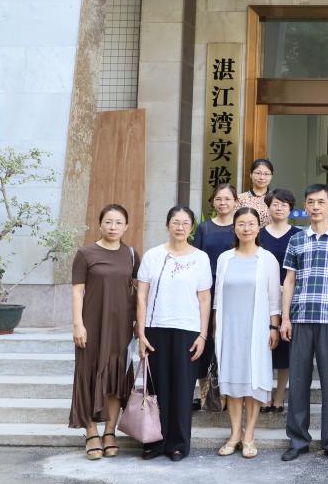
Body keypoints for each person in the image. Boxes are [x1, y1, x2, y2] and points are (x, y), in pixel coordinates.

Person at [280, 184, 328, 464]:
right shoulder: (297, 239)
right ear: (305, 205)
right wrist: (285, 317)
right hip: (301, 318)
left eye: (321, 202)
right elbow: (289, 280)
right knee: (298, 382)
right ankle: (298, 440)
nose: (315, 207)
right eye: (311, 202)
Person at [135, 206, 212, 461]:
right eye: (175, 222)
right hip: (155, 328)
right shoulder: (153, 255)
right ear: (167, 225)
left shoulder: (200, 258)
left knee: (181, 388)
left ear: (191, 227)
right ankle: (154, 441)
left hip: (188, 330)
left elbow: (204, 299)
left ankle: (178, 443)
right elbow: (142, 297)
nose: (180, 227)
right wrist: (141, 332)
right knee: (157, 387)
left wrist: (202, 334)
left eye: (185, 223)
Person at [69, 204, 139, 460]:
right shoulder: (85, 253)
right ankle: (91, 432)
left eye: (118, 222)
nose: (113, 227)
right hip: (92, 324)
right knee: (89, 375)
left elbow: (138, 291)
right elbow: (77, 291)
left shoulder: (131, 255)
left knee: (116, 378)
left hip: (122, 326)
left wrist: (138, 324)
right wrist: (78, 324)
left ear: (126, 226)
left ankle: (110, 432)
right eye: (108, 222)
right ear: (100, 224)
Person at [213, 207, 282, 460]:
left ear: (258, 228)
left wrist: (274, 327)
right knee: (232, 379)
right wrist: (215, 327)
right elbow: (217, 298)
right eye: (241, 224)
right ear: (234, 228)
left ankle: (249, 434)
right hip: (230, 328)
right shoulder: (225, 258)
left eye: (251, 224)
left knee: (254, 379)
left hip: (257, 328)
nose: (246, 228)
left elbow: (274, 299)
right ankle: (234, 433)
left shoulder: (267, 259)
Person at [191, 183, 238, 409]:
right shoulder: (204, 228)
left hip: (233, 288)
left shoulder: (240, 227)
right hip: (206, 289)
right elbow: (195, 258)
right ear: (212, 202)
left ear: (235, 202)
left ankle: (229, 394)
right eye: (219, 199)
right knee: (206, 339)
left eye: (227, 199)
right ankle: (205, 394)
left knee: (230, 339)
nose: (223, 203)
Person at [259, 189, 302, 413]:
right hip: (261, 298)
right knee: (264, 345)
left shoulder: (298, 235)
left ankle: (279, 395)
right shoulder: (258, 234)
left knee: (286, 347)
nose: (279, 208)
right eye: (275, 204)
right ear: (268, 206)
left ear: (290, 209)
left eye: (284, 204)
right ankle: (265, 393)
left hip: (289, 298)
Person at [237, 159, 274, 227]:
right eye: (258, 173)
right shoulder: (240, 198)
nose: (262, 177)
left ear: (271, 176)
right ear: (251, 174)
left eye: (266, 174)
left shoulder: (276, 198)